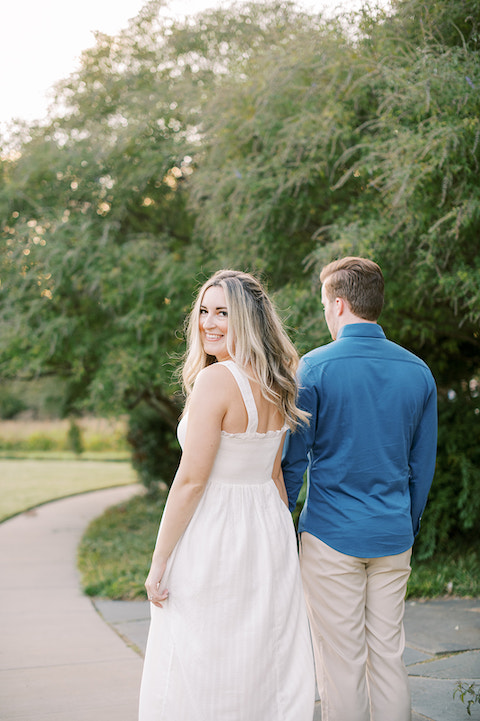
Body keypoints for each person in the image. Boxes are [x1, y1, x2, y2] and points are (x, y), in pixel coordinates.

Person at [138, 269, 315, 721]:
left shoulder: (216, 382)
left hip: (217, 528)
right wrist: (282, 538)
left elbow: (192, 480)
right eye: (204, 311)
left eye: (223, 313)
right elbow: (275, 475)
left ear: (247, 321)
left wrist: (159, 562)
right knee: (259, 653)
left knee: (203, 650)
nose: (208, 323)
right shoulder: (278, 381)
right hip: (267, 525)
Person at [282, 256, 437, 721]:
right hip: (393, 535)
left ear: (341, 303)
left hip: (330, 537)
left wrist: (280, 518)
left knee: (342, 662)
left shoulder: (313, 369)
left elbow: (292, 461)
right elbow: (421, 467)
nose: (326, 313)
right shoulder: (418, 371)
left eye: (326, 304)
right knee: (388, 656)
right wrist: (404, 525)